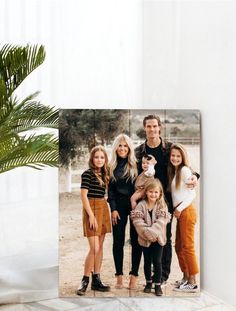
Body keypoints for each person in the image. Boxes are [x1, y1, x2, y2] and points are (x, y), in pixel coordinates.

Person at [135, 114, 199, 284]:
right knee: (148, 237)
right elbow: (136, 176)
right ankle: (151, 277)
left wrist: (194, 176)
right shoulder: (139, 151)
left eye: (154, 126)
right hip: (146, 201)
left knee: (165, 238)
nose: (152, 129)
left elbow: (183, 164)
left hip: (166, 201)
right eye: (148, 126)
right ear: (144, 128)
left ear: (159, 127)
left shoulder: (169, 148)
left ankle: (162, 276)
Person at [76, 145, 111, 296]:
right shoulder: (87, 174)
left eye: (102, 157)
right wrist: (90, 215)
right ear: (92, 158)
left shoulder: (105, 174)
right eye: (96, 157)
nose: (99, 160)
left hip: (103, 208)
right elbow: (83, 195)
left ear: (105, 159)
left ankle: (96, 279)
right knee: (94, 247)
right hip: (91, 208)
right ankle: (85, 280)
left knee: (100, 247)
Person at [108, 133, 140, 289]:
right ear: (115, 148)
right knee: (118, 242)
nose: (122, 148)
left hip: (135, 207)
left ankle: (134, 276)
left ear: (129, 148)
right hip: (118, 208)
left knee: (136, 241)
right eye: (119, 145)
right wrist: (113, 209)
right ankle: (119, 276)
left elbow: (143, 185)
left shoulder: (136, 165)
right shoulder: (111, 166)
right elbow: (111, 191)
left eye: (125, 145)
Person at [167, 143, 199, 292]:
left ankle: (192, 281)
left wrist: (179, 209)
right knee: (179, 246)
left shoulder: (185, 170)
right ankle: (185, 277)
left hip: (185, 211)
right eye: (173, 155)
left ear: (183, 157)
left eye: (178, 156)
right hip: (181, 212)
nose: (175, 158)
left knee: (187, 247)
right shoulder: (176, 171)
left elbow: (192, 193)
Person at [131, 179, 171, 296]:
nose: (153, 194)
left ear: (160, 194)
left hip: (158, 239)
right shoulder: (140, 205)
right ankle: (148, 283)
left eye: (156, 192)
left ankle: (157, 284)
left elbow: (161, 222)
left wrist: (152, 233)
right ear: (146, 192)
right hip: (144, 239)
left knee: (157, 262)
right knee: (147, 261)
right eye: (151, 192)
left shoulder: (162, 205)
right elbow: (137, 222)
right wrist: (147, 234)